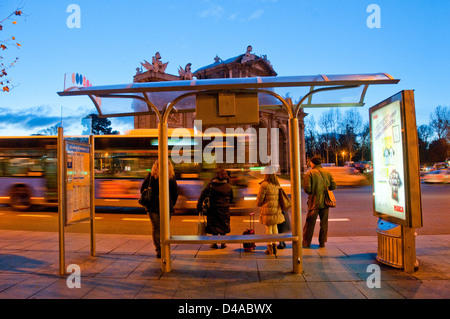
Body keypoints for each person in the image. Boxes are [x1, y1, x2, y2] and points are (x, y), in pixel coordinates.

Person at [140, 159, 178, 258]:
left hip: (152, 206)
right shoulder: (171, 176)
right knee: (165, 228)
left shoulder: (151, 176)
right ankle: (165, 249)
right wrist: (171, 204)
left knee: (156, 228)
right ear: (170, 166)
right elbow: (175, 192)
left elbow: (142, 189)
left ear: (155, 166)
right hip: (166, 205)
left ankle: (158, 250)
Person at [302, 155, 336, 248]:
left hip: (314, 202)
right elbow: (333, 186)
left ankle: (306, 242)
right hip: (325, 202)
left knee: (310, 223)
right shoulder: (327, 173)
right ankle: (322, 242)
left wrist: (314, 190)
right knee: (324, 223)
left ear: (313, 163)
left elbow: (307, 189)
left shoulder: (310, 173)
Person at [197, 169, 233, 249]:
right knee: (223, 226)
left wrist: (199, 207)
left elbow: (202, 195)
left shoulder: (211, 185)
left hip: (213, 209)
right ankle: (223, 243)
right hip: (224, 210)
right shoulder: (228, 186)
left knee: (214, 227)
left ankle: (214, 243)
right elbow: (231, 199)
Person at [256, 171, 285, 256]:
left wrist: (258, 203)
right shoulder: (276, 184)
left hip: (267, 210)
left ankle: (269, 248)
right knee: (275, 226)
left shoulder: (264, 185)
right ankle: (275, 246)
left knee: (268, 228)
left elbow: (260, 199)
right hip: (276, 209)